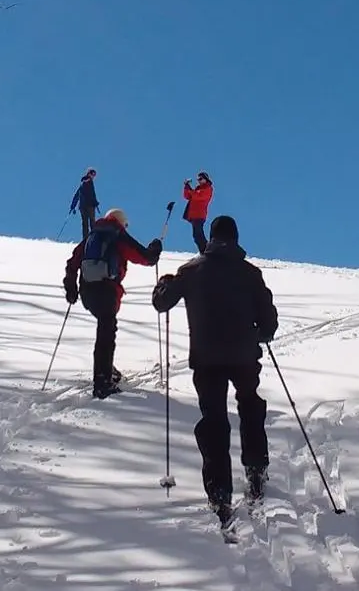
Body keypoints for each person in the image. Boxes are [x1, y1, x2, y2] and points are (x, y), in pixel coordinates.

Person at [152, 216, 279, 524]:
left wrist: (163, 285)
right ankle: (256, 470)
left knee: (214, 420)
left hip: (207, 358)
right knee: (250, 405)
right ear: (235, 239)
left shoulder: (191, 270)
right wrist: (260, 332)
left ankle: (219, 493)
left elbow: (161, 303)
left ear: (210, 238)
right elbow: (269, 320)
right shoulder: (250, 273)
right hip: (244, 354)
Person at [64, 208, 163, 398]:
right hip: (107, 291)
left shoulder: (92, 236)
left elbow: (72, 262)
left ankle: (106, 371)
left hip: (87, 292)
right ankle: (102, 381)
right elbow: (144, 257)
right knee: (106, 334)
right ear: (121, 222)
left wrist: (71, 287)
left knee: (105, 329)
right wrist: (155, 249)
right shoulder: (118, 236)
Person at [181, 172, 214, 252]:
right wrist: (186, 187)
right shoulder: (198, 189)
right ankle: (205, 251)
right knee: (197, 235)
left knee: (198, 235)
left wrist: (190, 190)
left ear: (205, 179)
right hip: (194, 215)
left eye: (201, 179)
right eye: (198, 179)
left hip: (199, 215)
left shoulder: (208, 188)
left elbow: (198, 196)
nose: (199, 181)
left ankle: (206, 251)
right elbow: (187, 196)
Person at [69, 168, 100, 240]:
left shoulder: (82, 183)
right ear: (89, 174)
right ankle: (93, 238)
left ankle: (85, 238)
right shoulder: (89, 182)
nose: (93, 176)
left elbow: (77, 195)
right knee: (92, 222)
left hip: (82, 206)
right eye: (92, 174)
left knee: (85, 223)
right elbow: (91, 195)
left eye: (94, 175)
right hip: (90, 206)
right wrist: (95, 203)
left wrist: (73, 206)